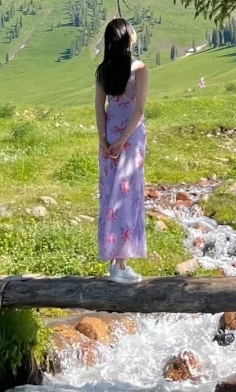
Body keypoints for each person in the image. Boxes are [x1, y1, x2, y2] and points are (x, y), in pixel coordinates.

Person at [95, 17, 148, 283]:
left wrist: (105, 140)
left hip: (110, 133)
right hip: (130, 137)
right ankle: (121, 264)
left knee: (110, 196)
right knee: (127, 197)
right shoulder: (139, 68)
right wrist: (123, 140)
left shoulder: (103, 70)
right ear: (128, 38)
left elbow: (99, 109)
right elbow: (138, 110)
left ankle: (115, 260)